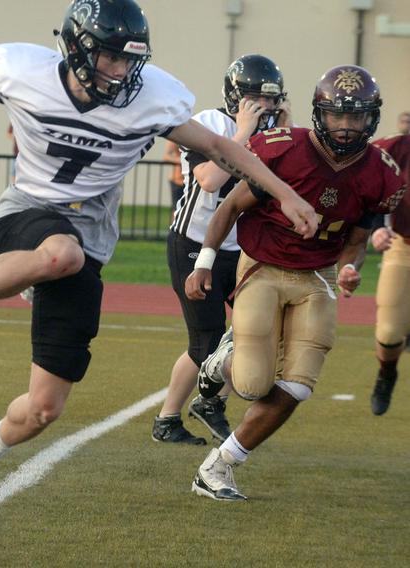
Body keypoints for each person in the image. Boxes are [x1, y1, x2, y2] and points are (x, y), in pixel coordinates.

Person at [0, 0, 318, 510]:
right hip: (28, 207)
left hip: (92, 234)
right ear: (75, 48)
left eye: (129, 59)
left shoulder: (151, 98)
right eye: (109, 57)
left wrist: (285, 193)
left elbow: (229, 152)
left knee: (43, 408)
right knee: (58, 254)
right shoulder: (27, 73)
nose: (120, 70)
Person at [187, 65, 404, 501]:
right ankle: (220, 363)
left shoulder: (381, 172)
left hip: (318, 275)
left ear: (372, 118)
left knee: (299, 385)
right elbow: (228, 208)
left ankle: (219, 466)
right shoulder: (282, 149)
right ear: (319, 113)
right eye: (337, 115)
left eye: (356, 117)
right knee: (251, 385)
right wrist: (205, 261)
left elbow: (356, 241)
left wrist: (350, 265)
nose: (346, 127)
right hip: (263, 266)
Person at [155, 54, 288, 445]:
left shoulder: (271, 131)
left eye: (271, 100)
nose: (265, 107)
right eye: (256, 98)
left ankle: (188, 410)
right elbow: (210, 180)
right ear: (236, 96)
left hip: (240, 249)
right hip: (195, 243)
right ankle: (185, 413)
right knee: (206, 345)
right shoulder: (209, 124)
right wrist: (244, 132)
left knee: (258, 327)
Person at [366, 130, 410, 415]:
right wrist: (376, 227)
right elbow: (362, 184)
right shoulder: (396, 147)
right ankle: (387, 373)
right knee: (390, 331)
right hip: (404, 244)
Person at [163, 140, 184, 209]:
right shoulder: (177, 135)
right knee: (176, 209)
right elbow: (166, 156)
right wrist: (183, 161)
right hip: (178, 180)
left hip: (194, 180)